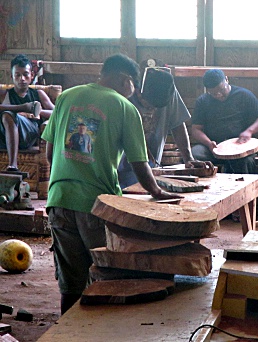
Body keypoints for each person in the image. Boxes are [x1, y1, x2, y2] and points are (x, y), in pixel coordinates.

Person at [41, 53, 182, 315]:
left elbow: (50, 153)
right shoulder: (125, 108)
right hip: (97, 205)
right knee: (106, 275)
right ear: (125, 80)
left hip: (58, 199)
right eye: (133, 86)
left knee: (71, 283)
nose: (133, 92)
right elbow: (140, 164)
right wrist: (157, 192)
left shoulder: (66, 97)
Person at [118, 65, 207, 189]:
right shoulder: (124, 93)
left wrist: (188, 158)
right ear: (139, 92)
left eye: (156, 108)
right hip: (121, 167)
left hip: (151, 166)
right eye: (148, 105)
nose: (152, 109)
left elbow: (177, 124)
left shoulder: (168, 90)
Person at [190, 68, 258, 174]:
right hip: (213, 147)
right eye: (214, 93)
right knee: (194, 154)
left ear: (226, 80)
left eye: (222, 90)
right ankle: (203, 189)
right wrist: (208, 143)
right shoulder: (202, 101)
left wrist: (249, 131)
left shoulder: (243, 95)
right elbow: (196, 129)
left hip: (239, 145)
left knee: (244, 161)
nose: (219, 95)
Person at [1, 54, 55, 172]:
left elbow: (57, 112)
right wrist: (22, 108)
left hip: (28, 135)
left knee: (7, 115)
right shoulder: (5, 94)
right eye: (18, 75)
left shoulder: (38, 94)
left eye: (25, 74)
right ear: (12, 76)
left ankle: (13, 165)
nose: (22, 79)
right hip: (4, 137)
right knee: (7, 115)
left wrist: (37, 111)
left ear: (31, 75)